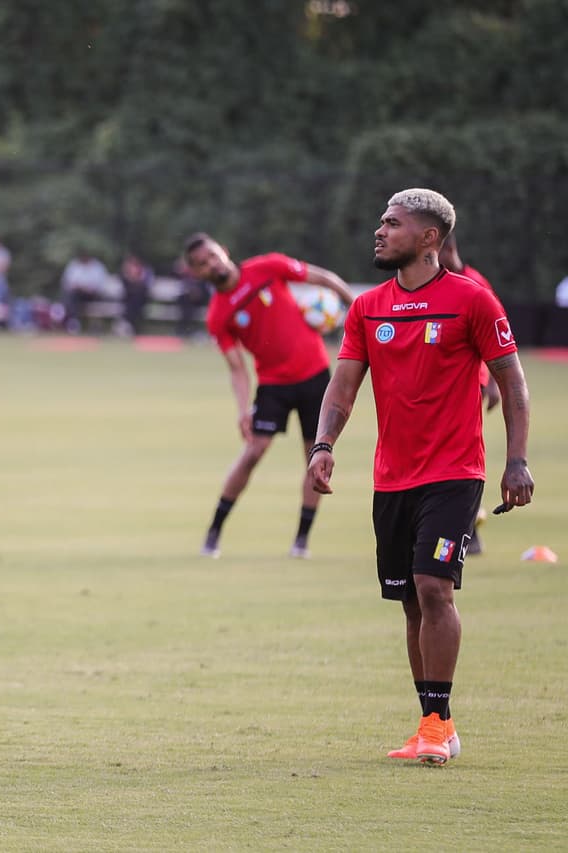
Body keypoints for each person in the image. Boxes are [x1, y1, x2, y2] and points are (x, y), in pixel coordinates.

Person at [308, 188, 533, 765]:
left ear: (429, 237)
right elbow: (343, 385)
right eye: (381, 222)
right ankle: (436, 722)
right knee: (410, 599)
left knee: (436, 588)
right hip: (392, 478)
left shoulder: (472, 301)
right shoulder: (367, 308)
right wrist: (323, 445)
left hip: (455, 471)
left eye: (394, 223)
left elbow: (512, 384)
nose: (379, 232)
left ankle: (436, 728)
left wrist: (516, 460)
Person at [184, 233, 355, 559]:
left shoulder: (268, 267)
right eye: (202, 264)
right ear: (197, 273)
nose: (211, 264)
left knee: (315, 459)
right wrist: (242, 410)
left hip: (316, 377)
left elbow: (327, 279)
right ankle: (214, 531)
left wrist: (358, 311)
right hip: (273, 385)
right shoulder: (218, 315)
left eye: (213, 255)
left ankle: (301, 540)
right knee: (253, 452)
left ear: (225, 250)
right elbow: (237, 369)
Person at [439, 231, 501, 555]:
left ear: (448, 248)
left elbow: (496, 333)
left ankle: (468, 528)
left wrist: (492, 382)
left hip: (471, 383)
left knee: (461, 456)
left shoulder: (474, 283)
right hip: (442, 386)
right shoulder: (436, 283)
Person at [120, 253, 155, 336]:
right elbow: (125, 284)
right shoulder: (126, 271)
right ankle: (130, 326)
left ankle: (131, 326)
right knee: (131, 303)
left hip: (141, 297)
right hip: (129, 297)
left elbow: (147, 284)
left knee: (136, 302)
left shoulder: (146, 270)